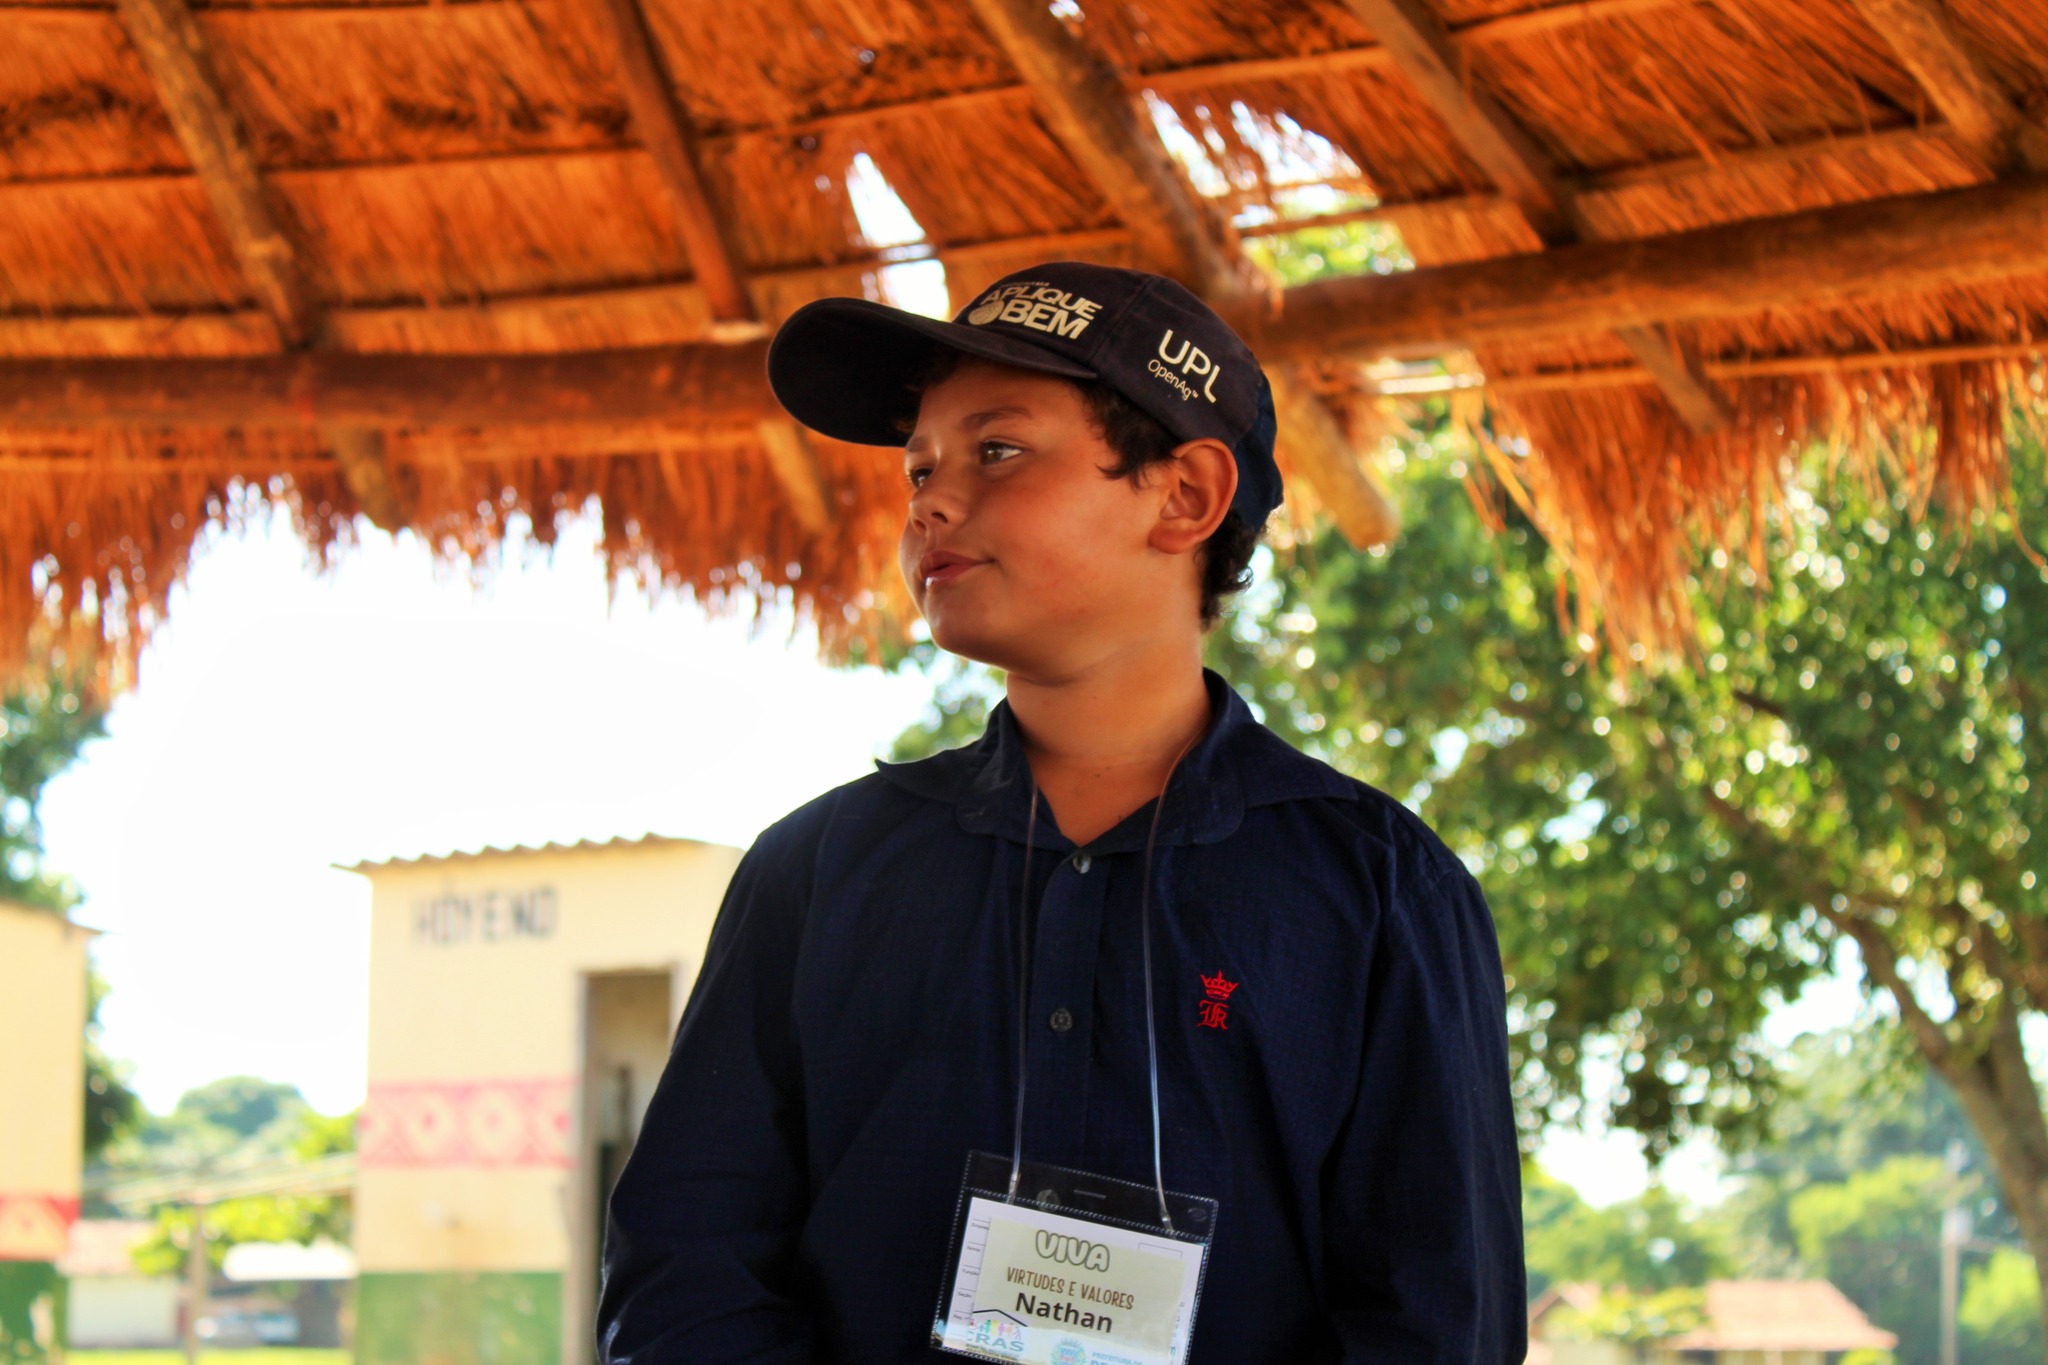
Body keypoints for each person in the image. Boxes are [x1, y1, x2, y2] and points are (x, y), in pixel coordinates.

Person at [597, 262, 1526, 1364]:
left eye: (996, 450)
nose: (931, 501)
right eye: (920, 468)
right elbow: (683, 1275)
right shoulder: (816, 869)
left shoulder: (1381, 890)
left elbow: (1438, 1319)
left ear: (1184, 496)